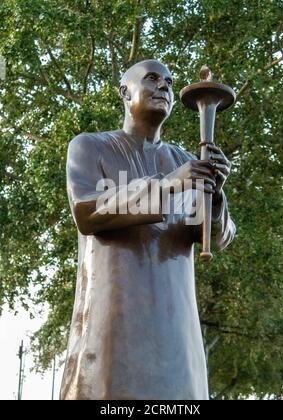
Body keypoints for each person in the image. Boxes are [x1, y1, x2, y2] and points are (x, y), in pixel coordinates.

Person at [60, 59, 235, 400]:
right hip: (112, 328)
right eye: (152, 78)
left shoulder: (185, 162)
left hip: (176, 331)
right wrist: (168, 185)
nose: (164, 86)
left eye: (169, 81)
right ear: (124, 91)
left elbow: (217, 238)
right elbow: (88, 211)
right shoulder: (90, 146)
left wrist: (215, 195)